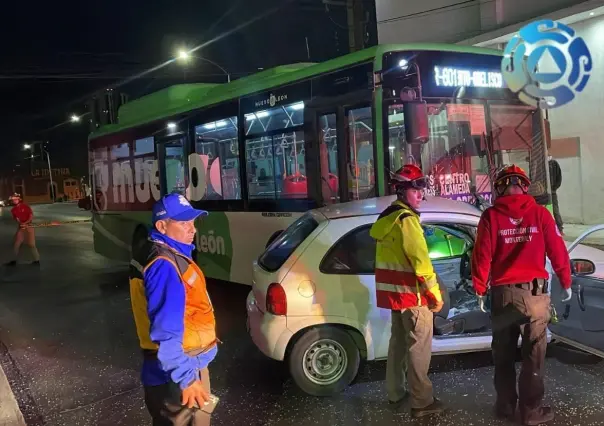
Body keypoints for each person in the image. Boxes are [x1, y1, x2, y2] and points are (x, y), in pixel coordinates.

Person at [471, 165, 572, 426]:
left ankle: (505, 407)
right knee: (533, 358)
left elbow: (481, 257)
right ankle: (530, 412)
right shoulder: (540, 214)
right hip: (535, 297)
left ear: (500, 188)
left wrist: (480, 288)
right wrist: (566, 281)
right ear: (525, 187)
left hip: (502, 296)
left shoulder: (490, 217)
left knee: (503, 356)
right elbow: (558, 251)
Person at [129, 193, 218, 426]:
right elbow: (166, 332)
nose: (193, 230)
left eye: (193, 222)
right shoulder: (165, 265)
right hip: (179, 372)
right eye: (183, 223)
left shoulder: (159, 252)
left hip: (175, 368)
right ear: (162, 226)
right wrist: (187, 379)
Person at [370, 164, 446, 418]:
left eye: (421, 189)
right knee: (418, 349)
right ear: (403, 191)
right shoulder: (408, 221)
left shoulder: (387, 219)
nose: (420, 195)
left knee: (399, 345)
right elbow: (421, 262)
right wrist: (434, 294)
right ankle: (422, 402)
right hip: (413, 298)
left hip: (395, 298)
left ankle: (395, 392)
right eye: (416, 190)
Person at [5, 193, 40, 266]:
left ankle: (37, 260)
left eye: (15, 199)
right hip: (21, 227)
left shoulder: (25, 206)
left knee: (31, 244)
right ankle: (13, 260)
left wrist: (26, 223)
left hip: (29, 226)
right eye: (13, 200)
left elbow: (30, 216)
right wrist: (21, 223)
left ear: (19, 199)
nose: (14, 201)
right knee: (16, 243)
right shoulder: (13, 210)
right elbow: (17, 219)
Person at [548, 156, 563, 235]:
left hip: (552, 191)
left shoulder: (553, 163)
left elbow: (559, 177)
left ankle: (560, 228)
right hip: (542, 191)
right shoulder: (538, 163)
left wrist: (554, 188)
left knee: (555, 210)